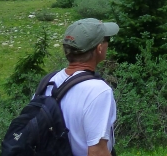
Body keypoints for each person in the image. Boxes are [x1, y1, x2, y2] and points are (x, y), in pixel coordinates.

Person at [46, 18, 119, 156]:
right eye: (106, 40)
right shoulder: (98, 91)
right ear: (99, 48)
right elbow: (97, 152)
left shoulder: (49, 81)